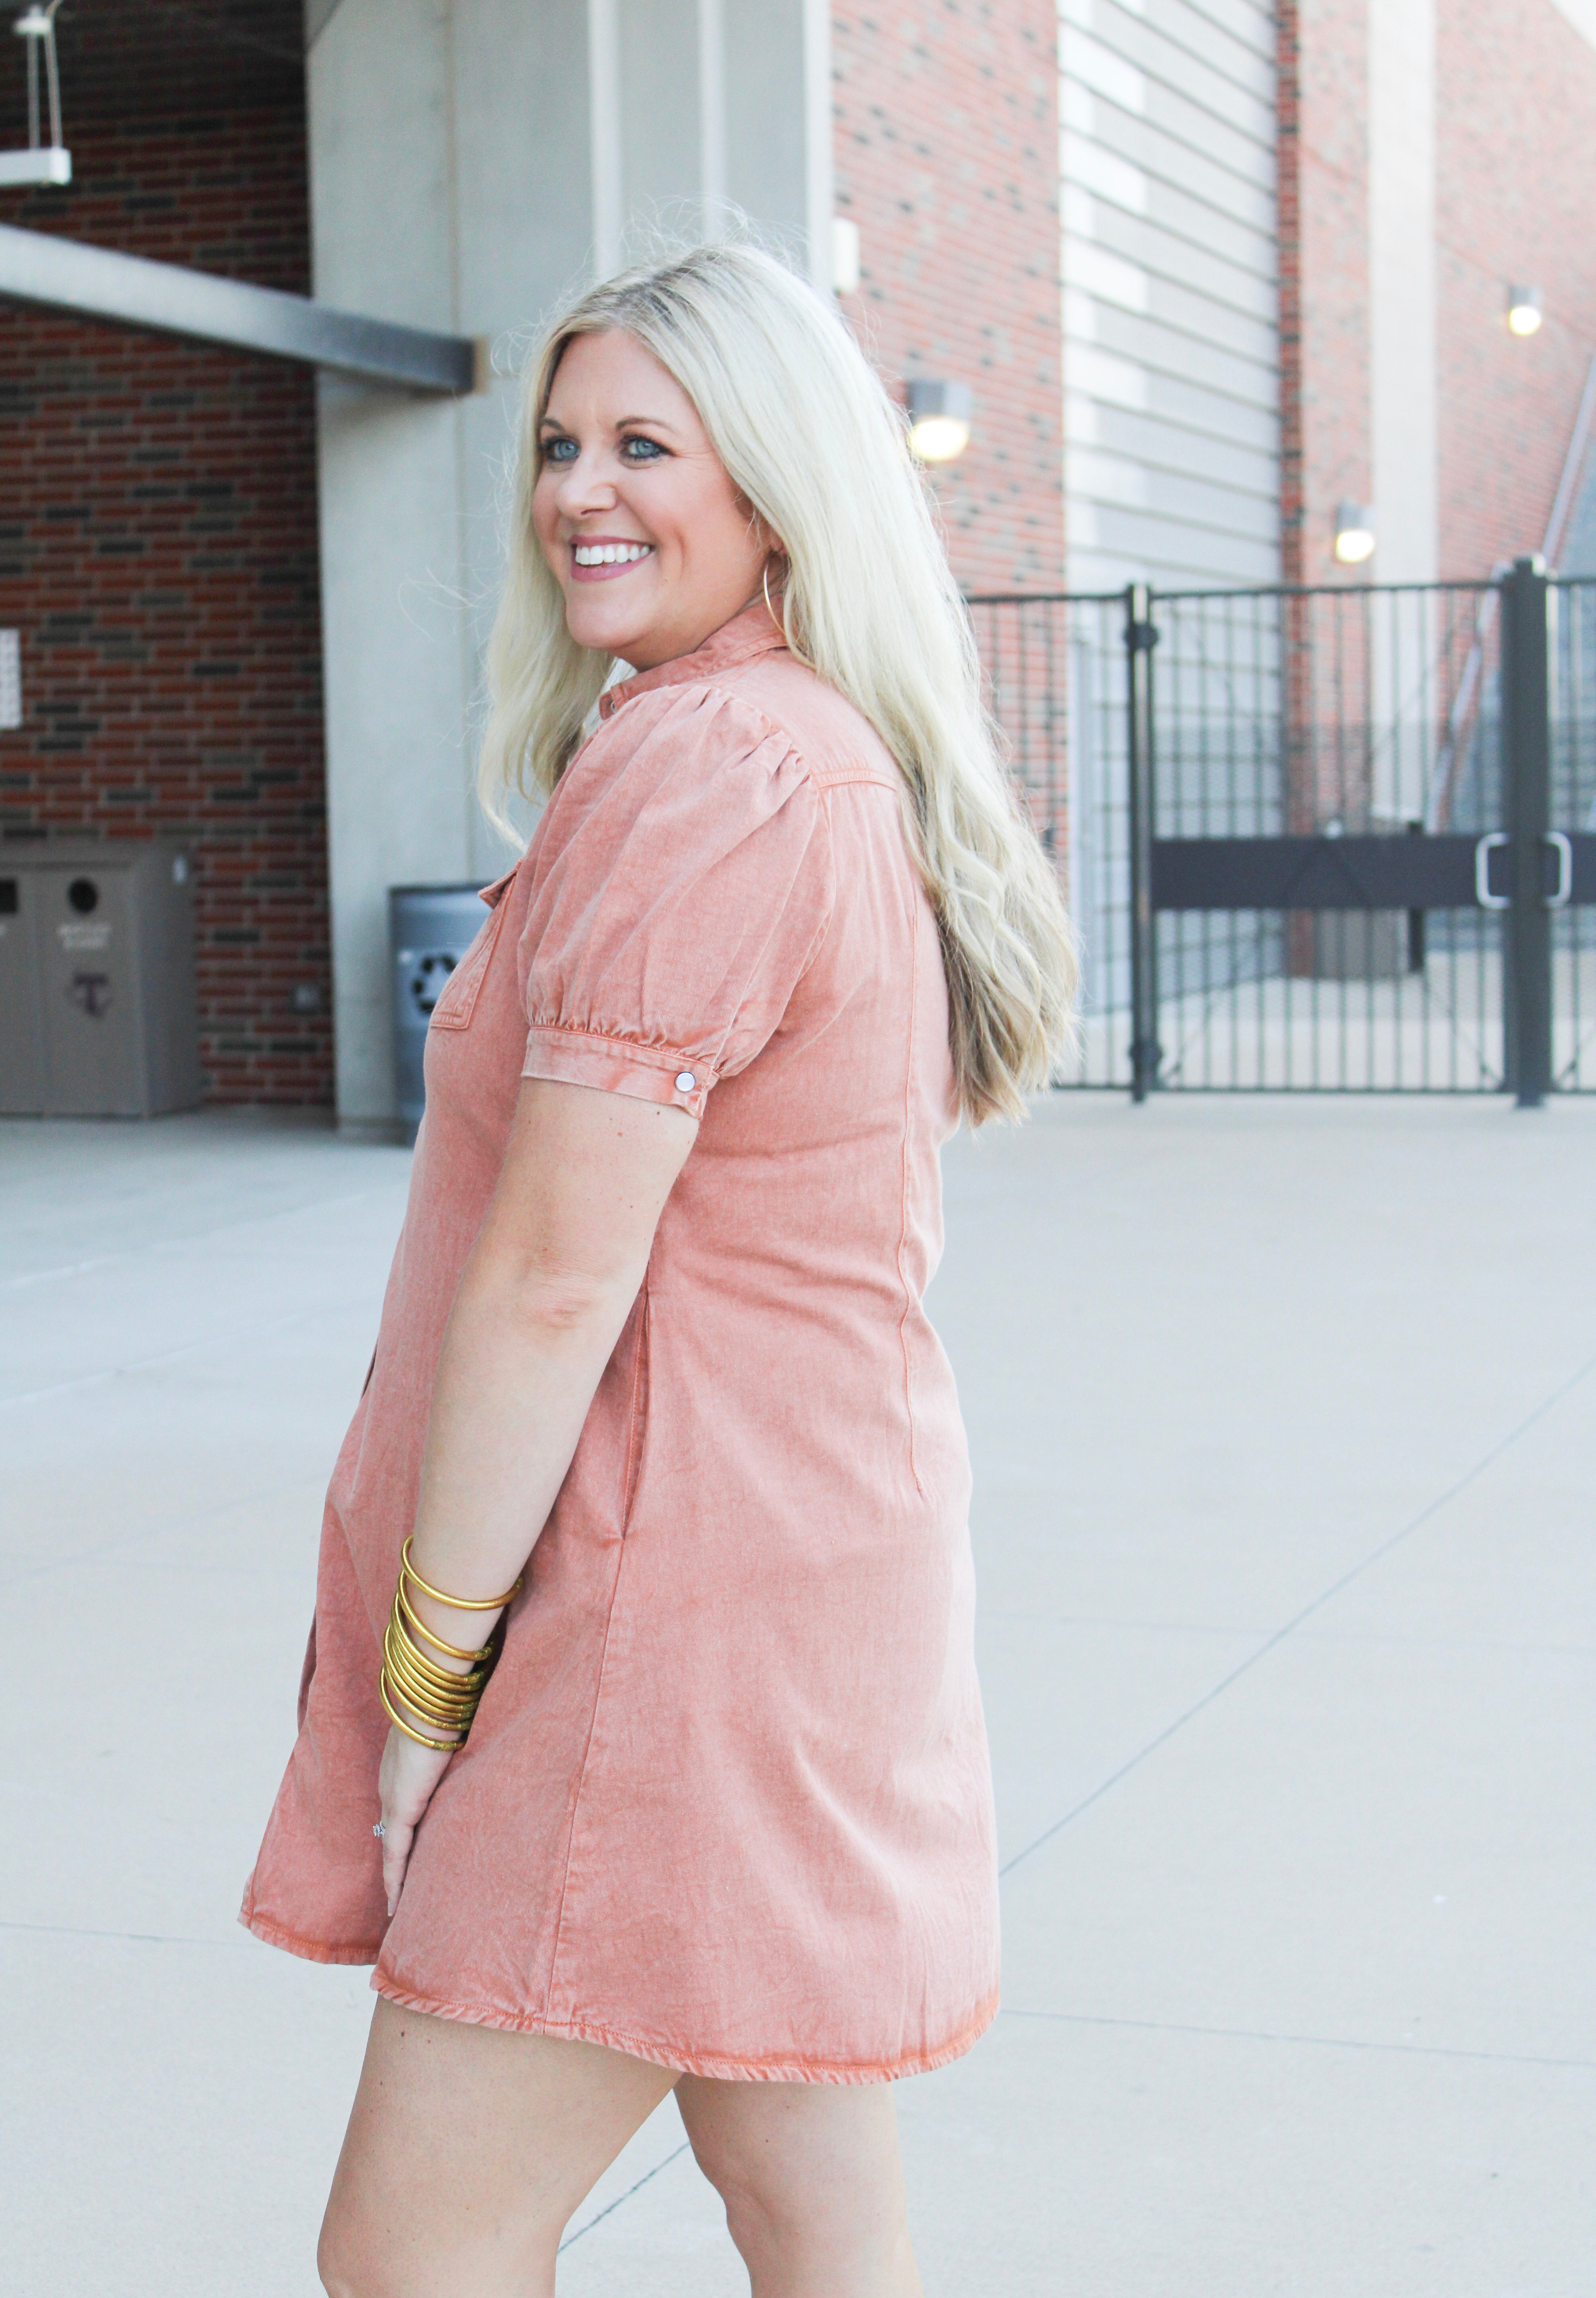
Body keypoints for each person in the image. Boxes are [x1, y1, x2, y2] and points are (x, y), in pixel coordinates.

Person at [241, 239, 1076, 2298]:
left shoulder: (709, 771)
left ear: (778, 483)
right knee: (815, 2219)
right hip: (801, 1608)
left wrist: (431, 1684)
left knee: (414, 2251)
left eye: (644, 443)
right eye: (557, 443)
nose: (578, 491)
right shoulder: (794, 747)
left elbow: (552, 1278)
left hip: (662, 1636)